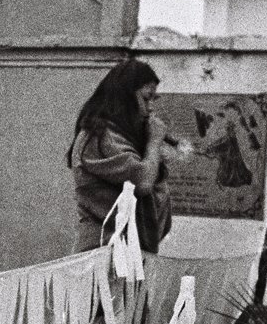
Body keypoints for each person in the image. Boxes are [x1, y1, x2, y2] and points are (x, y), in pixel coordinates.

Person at [68, 57, 182, 254]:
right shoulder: (101, 136)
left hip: (128, 254)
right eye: (146, 98)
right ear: (125, 97)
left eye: (154, 100)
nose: (151, 108)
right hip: (102, 253)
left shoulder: (122, 137)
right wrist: (154, 142)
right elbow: (143, 182)